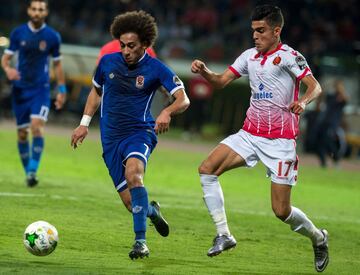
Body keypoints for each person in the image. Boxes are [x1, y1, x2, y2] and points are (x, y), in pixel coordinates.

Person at [191, 5, 329, 273]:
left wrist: (303, 101)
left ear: (277, 31)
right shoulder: (249, 57)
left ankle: (319, 238)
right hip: (250, 135)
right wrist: (205, 71)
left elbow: (315, 86)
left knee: (281, 211)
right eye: (253, 30)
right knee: (207, 170)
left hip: (280, 143)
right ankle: (224, 235)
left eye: (261, 30)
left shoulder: (291, 57)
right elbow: (220, 82)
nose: (255, 35)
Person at [71, 10, 189, 260]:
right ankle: (152, 212)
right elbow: (95, 92)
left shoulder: (156, 68)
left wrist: (167, 112)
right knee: (130, 203)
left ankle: (140, 243)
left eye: (132, 46)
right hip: (110, 139)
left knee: (134, 175)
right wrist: (84, 124)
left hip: (140, 132)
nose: (126, 50)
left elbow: (183, 98)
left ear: (145, 44)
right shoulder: (107, 63)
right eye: (123, 45)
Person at [1, 0, 66, 187]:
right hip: (20, 89)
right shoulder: (18, 33)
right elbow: (5, 59)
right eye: (34, 9)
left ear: (45, 13)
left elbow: (58, 64)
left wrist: (61, 90)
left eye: (41, 9)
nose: (37, 12)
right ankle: (28, 172)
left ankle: (32, 171)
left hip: (41, 89)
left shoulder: (52, 36)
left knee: (37, 127)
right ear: (29, 11)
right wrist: (8, 70)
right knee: (22, 134)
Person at [316, 79, 348, 167]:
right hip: (324, 121)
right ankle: (323, 163)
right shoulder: (330, 96)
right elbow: (321, 100)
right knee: (320, 142)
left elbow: (345, 99)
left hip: (333, 123)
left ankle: (336, 157)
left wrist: (341, 91)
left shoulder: (342, 98)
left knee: (328, 140)